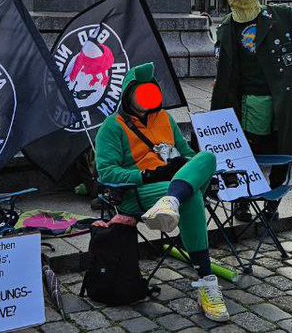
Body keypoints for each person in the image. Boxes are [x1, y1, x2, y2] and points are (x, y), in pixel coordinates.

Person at [94, 63, 227, 322]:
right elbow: (106, 173)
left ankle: (172, 199)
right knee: (192, 197)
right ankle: (206, 282)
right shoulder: (112, 127)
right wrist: (146, 174)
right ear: (128, 95)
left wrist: (181, 163)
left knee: (207, 156)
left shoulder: (165, 118)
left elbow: (188, 155)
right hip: (138, 193)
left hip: (169, 187)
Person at [209, 0, 292, 220]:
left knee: (282, 149)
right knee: (242, 152)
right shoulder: (226, 27)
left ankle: (272, 206)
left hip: (281, 98)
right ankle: (241, 203)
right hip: (243, 101)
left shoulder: (280, 15)